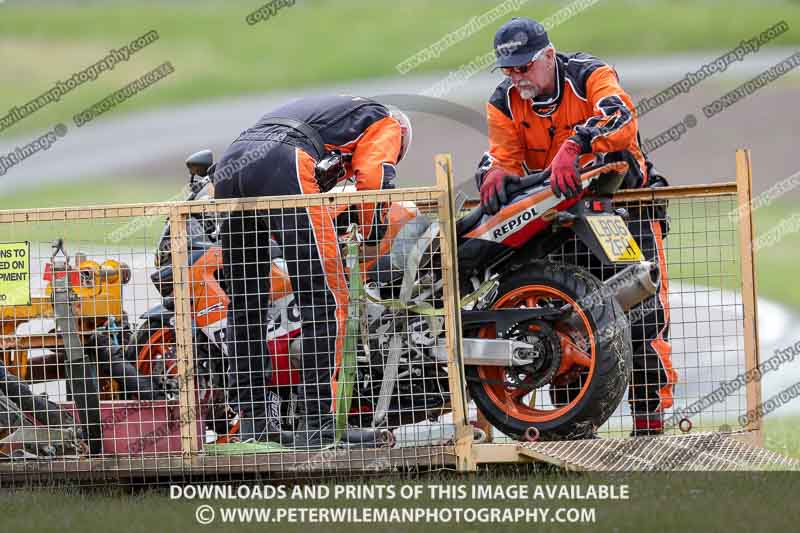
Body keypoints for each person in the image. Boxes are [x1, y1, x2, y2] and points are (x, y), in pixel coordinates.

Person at [475, 17, 678, 436]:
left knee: (644, 315)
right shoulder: (503, 101)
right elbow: (504, 157)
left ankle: (650, 425)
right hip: (559, 222)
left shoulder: (590, 75)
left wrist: (577, 143)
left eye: (524, 66)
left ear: (548, 56)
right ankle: (571, 431)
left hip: (623, 209)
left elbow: (622, 118)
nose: (517, 77)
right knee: (562, 321)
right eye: (509, 69)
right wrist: (493, 173)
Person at [213, 95, 412, 448]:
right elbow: (374, 177)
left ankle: (254, 423)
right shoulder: (386, 121)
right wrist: (372, 233)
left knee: (246, 302)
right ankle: (319, 422)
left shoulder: (331, 113)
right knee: (326, 296)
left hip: (232, 163)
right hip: (283, 161)